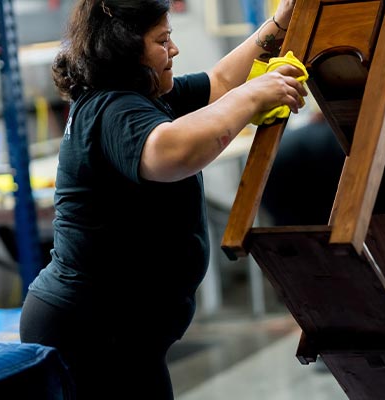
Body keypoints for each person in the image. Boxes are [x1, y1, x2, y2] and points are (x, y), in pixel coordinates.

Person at [18, 1, 307, 399]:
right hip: (91, 333)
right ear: (126, 47)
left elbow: (222, 80)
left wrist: (283, 19)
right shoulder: (114, 107)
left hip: (120, 337)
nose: (173, 50)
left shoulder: (145, 96)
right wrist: (254, 97)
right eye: (162, 40)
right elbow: (171, 154)